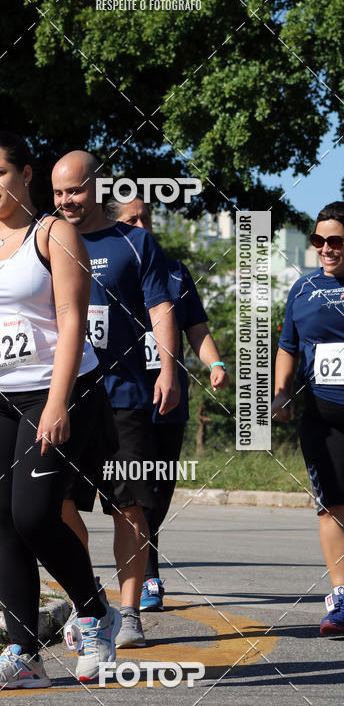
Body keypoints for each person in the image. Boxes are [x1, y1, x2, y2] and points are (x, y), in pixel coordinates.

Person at [0, 131, 121, 688]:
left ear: (25, 173)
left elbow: (72, 321)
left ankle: (95, 612)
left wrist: (58, 401)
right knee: (1, 521)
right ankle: (23, 653)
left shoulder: (54, 234)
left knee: (35, 515)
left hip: (56, 390)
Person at [52, 152, 180, 648]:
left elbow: (161, 306)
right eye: (58, 193)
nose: (66, 201)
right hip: (66, 395)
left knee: (127, 507)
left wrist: (168, 367)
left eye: (75, 191)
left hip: (124, 396)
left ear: (99, 188)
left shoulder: (135, 241)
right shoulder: (48, 238)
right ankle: (90, 602)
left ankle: (128, 614)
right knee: (57, 505)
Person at [105, 195, 229, 610]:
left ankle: (145, 566)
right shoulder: (105, 267)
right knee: (134, 491)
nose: (142, 225)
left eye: (146, 217)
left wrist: (215, 363)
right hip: (125, 398)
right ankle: (148, 575)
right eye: (132, 219)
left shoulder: (175, 271)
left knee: (159, 490)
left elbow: (196, 328)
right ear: (116, 225)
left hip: (169, 399)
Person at [272, 201, 344, 637]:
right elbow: (288, 346)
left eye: (335, 241)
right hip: (321, 416)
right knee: (331, 505)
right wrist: (280, 392)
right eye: (319, 240)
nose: (326, 248)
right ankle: (341, 595)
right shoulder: (303, 289)